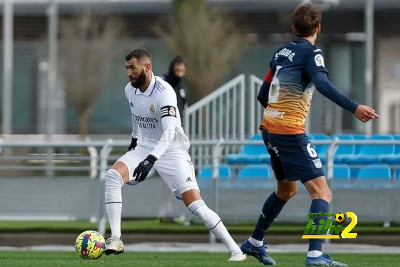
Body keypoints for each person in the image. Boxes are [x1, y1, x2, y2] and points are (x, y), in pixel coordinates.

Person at [240, 3, 379, 266]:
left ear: (293, 29)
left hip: (269, 129)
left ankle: (255, 242)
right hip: (289, 132)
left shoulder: (280, 53)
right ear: (318, 28)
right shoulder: (312, 53)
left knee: (286, 190)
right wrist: (354, 107)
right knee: (322, 193)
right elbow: (323, 83)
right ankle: (315, 254)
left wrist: (279, 112)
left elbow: (262, 95)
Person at [104, 48, 246, 262]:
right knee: (112, 176)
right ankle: (116, 238)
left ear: (147, 67)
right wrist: (135, 139)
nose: (129, 73)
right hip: (144, 147)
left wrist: (151, 160)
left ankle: (236, 250)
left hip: (172, 151)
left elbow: (169, 132)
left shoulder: (165, 92)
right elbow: (136, 113)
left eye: (132, 68)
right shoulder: (129, 90)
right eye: (127, 68)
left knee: (195, 205)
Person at [162, 56, 188, 120]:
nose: (179, 74)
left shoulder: (182, 89)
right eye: (177, 70)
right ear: (172, 69)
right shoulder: (162, 83)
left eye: (182, 71)